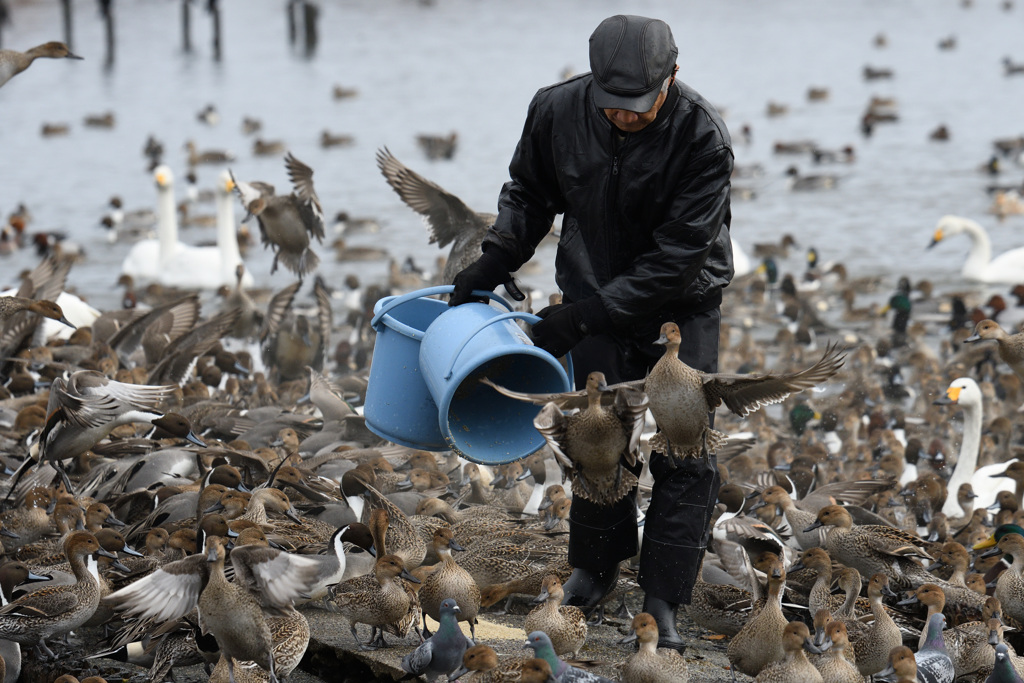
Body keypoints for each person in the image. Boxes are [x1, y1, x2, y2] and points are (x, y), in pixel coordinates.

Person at [449, 14, 733, 651]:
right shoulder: (555, 110)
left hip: (679, 309)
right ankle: (595, 570)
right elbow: (529, 192)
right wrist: (497, 257)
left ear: (673, 77)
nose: (624, 117)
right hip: (588, 287)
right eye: (612, 105)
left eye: (638, 105)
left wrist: (581, 317)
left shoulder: (702, 136)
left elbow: (678, 256)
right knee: (593, 434)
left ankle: (663, 597)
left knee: (685, 451)